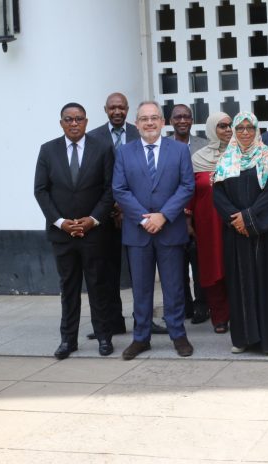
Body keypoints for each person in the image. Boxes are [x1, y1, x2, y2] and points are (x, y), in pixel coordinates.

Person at [113, 101, 195, 360]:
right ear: (136, 124)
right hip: (138, 233)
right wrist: (143, 219)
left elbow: (187, 186)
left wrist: (163, 216)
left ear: (162, 122)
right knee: (141, 289)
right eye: (144, 119)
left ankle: (178, 334)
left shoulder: (179, 150)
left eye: (154, 118)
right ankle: (141, 338)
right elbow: (119, 189)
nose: (149, 123)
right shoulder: (124, 152)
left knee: (174, 287)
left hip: (170, 230)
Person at [34, 102, 115, 359]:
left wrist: (93, 219)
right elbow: (41, 190)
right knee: (68, 289)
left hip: (95, 233)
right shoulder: (48, 150)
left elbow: (110, 189)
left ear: (86, 121)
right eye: (68, 119)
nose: (74, 123)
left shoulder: (102, 148)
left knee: (98, 286)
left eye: (79, 118)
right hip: (63, 234)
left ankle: (104, 337)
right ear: (61, 123)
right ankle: (68, 340)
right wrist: (60, 222)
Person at [213, 111, 268, 354]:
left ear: (256, 130)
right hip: (235, 235)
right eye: (240, 128)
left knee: (266, 284)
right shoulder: (226, 159)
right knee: (239, 285)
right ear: (234, 131)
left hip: (264, 235)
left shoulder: (267, 155)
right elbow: (218, 195)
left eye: (250, 127)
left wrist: (249, 218)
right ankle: (243, 339)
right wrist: (236, 219)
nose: (245, 132)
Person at [86, 92, 139, 340]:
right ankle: (111, 322)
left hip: (136, 212)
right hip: (105, 216)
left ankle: (143, 320)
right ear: (105, 109)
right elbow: (93, 177)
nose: (117, 112)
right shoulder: (93, 137)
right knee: (107, 271)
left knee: (140, 270)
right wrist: (112, 206)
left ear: (127, 109)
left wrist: (127, 206)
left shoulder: (139, 133)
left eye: (121, 107)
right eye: (112, 108)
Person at [189, 112, 232, 334]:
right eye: (222, 126)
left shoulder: (241, 154)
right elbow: (191, 192)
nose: (228, 130)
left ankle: (239, 313)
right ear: (211, 129)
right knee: (212, 267)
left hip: (235, 221)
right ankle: (220, 316)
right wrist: (188, 220)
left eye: (230, 125)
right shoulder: (198, 158)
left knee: (235, 266)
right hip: (208, 223)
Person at [170, 103, 210, 325]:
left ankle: (202, 305)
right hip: (171, 214)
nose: (182, 120)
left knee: (199, 261)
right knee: (177, 263)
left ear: (192, 121)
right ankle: (184, 305)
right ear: (171, 121)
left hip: (199, 214)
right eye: (178, 117)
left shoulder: (204, 145)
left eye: (186, 116)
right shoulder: (164, 146)